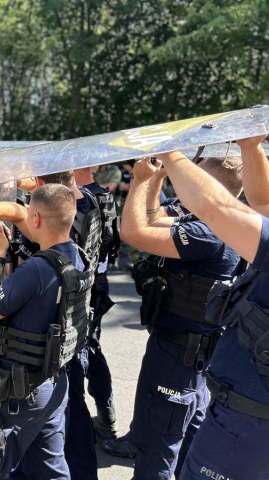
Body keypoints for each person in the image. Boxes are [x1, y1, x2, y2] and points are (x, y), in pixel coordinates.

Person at [106, 154, 244, 480]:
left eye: (193, 176)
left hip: (177, 360)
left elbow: (133, 232)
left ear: (206, 186)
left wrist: (140, 180)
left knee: (158, 448)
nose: (186, 180)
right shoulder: (224, 219)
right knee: (187, 444)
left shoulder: (209, 232)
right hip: (192, 355)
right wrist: (156, 177)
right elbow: (153, 216)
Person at [0, 170, 102, 480]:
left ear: (36, 220)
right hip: (53, 384)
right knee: (50, 471)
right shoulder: (78, 257)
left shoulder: (38, 268)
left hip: (20, 391)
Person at [152, 134, 269, 480]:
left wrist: (170, 154)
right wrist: (251, 148)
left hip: (247, 423)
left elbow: (213, 208)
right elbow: (262, 204)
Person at [73, 167, 120, 442]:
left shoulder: (83, 199)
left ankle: (95, 420)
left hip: (85, 285)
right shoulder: (104, 196)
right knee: (90, 348)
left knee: (84, 350)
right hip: (98, 281)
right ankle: (105, 415)